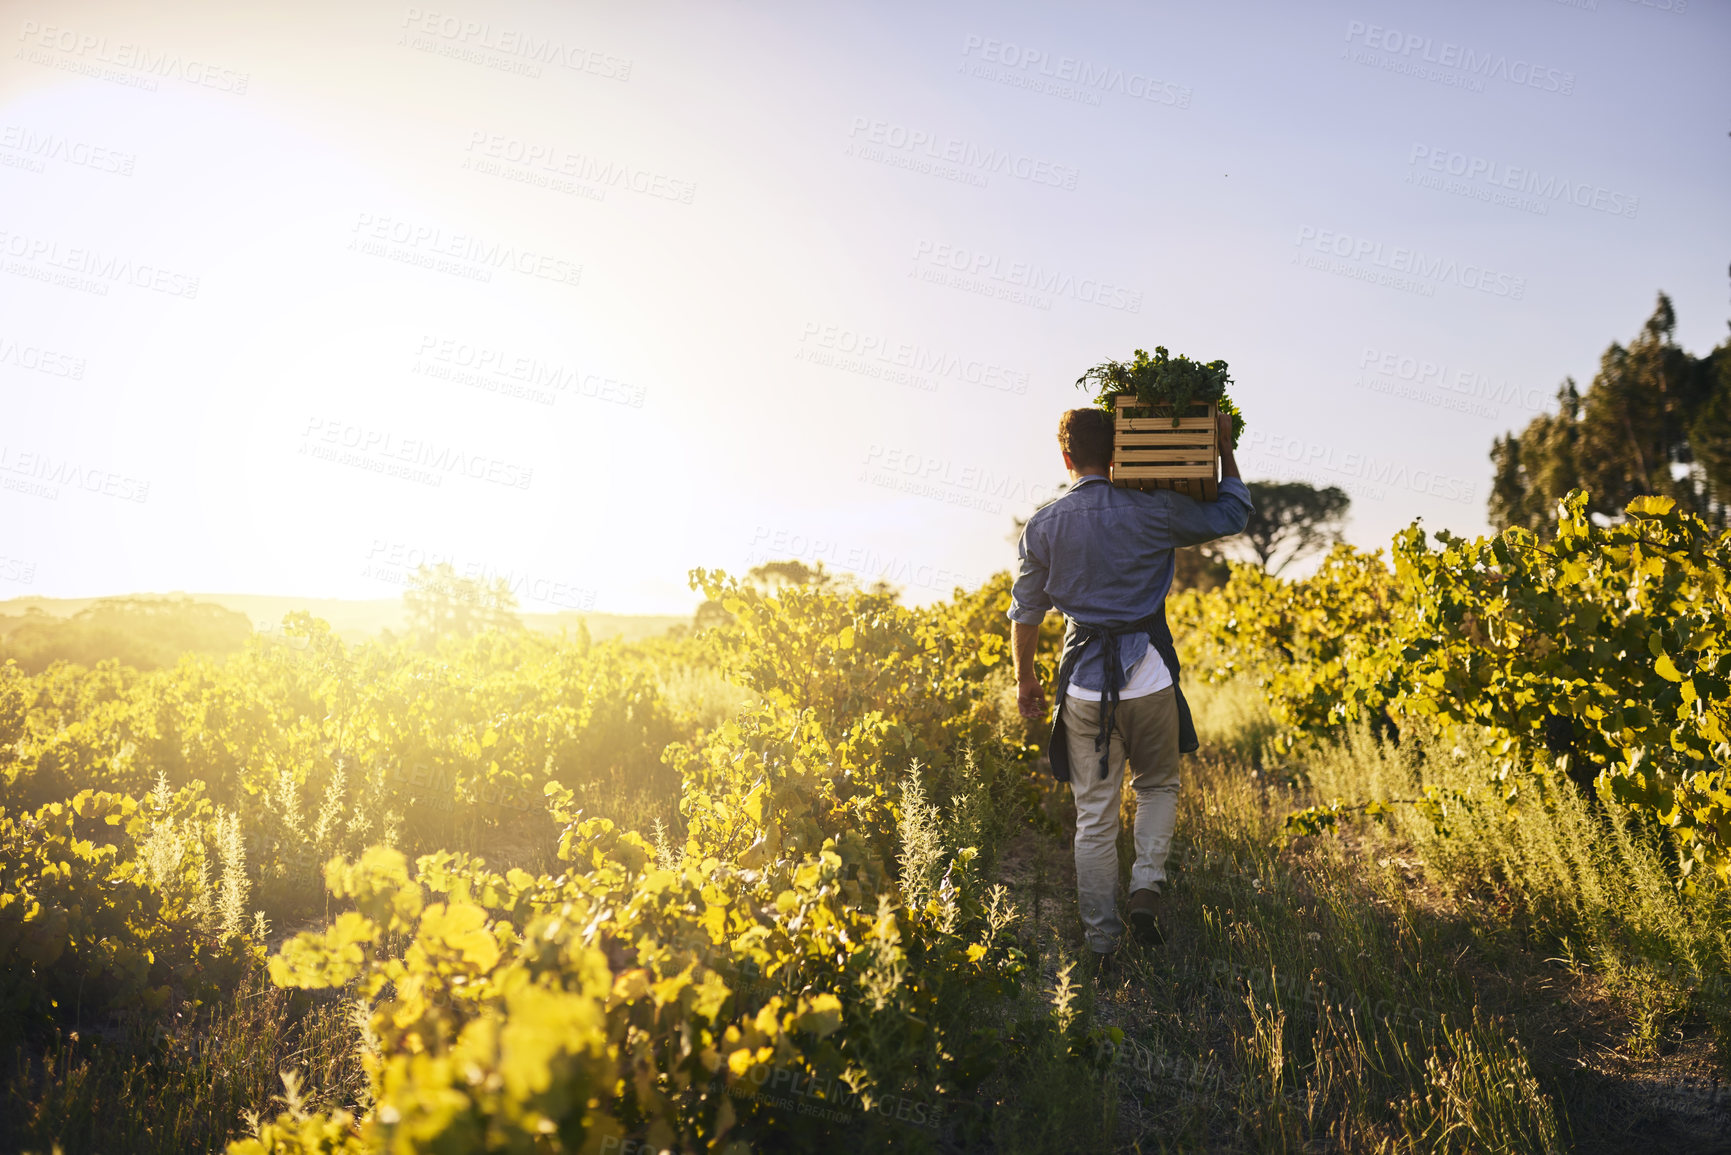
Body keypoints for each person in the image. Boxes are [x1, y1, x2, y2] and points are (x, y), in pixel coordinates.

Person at [1008, 407, 1251, 976]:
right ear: (1117, 454)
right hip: (1151, 679)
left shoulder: (1043, 525)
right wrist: (1223, 447)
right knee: (1159, 784)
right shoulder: (1156, 509)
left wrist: (1025, 679)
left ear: (1066, 458)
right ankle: (1146, 887)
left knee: (1094, 816)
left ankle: (1100, 944)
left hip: (1084, 691)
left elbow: (1026, 612)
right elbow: (1234, 512)